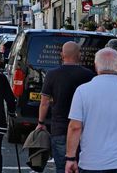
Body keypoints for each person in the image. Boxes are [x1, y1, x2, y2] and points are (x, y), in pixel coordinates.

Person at [65, 48, 117, 173]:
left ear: (95, 66)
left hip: (91, 163)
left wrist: (70, 158)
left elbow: (75, 127)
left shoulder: (82, 91)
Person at [36, 42, 95, 173]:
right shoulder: (88, 75)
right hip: (84, 129)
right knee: (83, 167)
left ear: (62, 55)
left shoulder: (52, 74)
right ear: (79, 55)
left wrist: (41, 122)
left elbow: (44, 102)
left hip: (59, 128)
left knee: (63, 167)